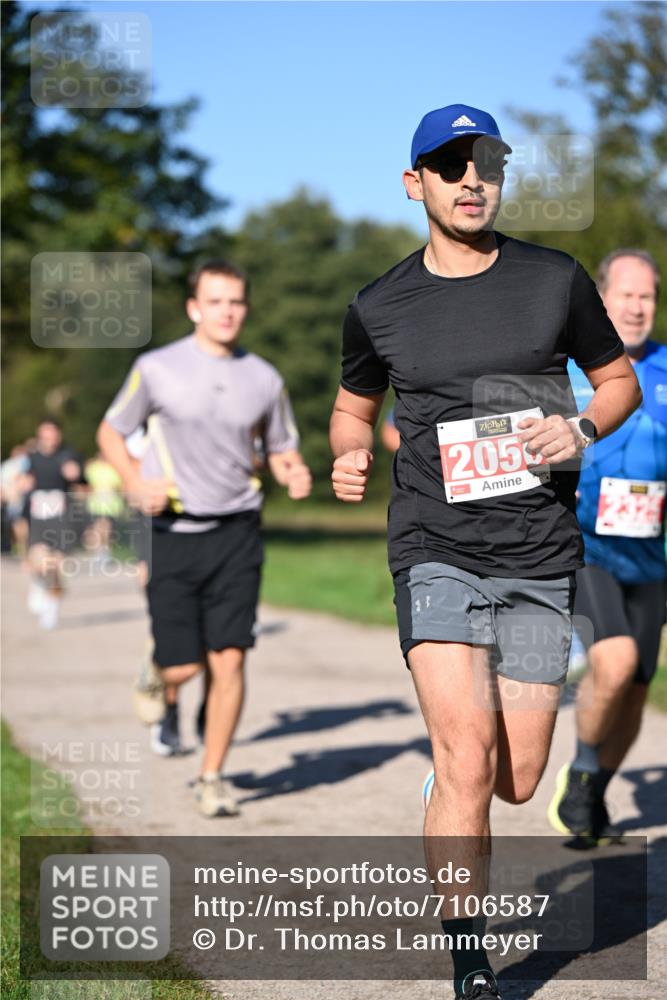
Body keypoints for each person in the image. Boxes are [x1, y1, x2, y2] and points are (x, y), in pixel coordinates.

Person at [329, 103, 641, 1000]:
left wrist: (578, 425)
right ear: (414, 181)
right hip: (432, 547)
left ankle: (452, 774)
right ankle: (470, 959)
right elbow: (354, 409)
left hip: (538, 555)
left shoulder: (554, 280)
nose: (473, 179)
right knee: (467, 756)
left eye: (488, 163)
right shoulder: (379, 305)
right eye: (451, 163)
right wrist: (350, 452)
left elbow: (615, 381)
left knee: (516, 776)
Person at [97, 259, 312, 817]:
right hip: (172, 531)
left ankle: (211, 775)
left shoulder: (264, 378)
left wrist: (292, 470)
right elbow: (111, 430)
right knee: (184, 665)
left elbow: (281, 445)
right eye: (215, 301)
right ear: (195, 308)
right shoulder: (157, 368)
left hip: (238, 531)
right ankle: (161, 674)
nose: (227, 311)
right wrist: (131, 480)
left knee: (230, 660)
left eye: (236, 301)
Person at [548, 249, 666, 841]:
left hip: (651, 553)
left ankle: (589, 793)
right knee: (613, 661)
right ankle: (586, 771)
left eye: (647, 296)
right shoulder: (565, 368)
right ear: (602, 297)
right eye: (626, 295)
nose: (638, 306)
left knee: (637, 686)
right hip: (586, 543)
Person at [21, 419, 85, 630]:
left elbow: (82, 479)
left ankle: (53, 602)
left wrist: (75, 474)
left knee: (56, 565)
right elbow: (22, 481)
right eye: (45, 435)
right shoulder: (31, 458)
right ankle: (39, 583)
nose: (49, 439)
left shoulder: (68, 455)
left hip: (61, 517)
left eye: (53, 435)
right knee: (41, 562)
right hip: (39, 516)